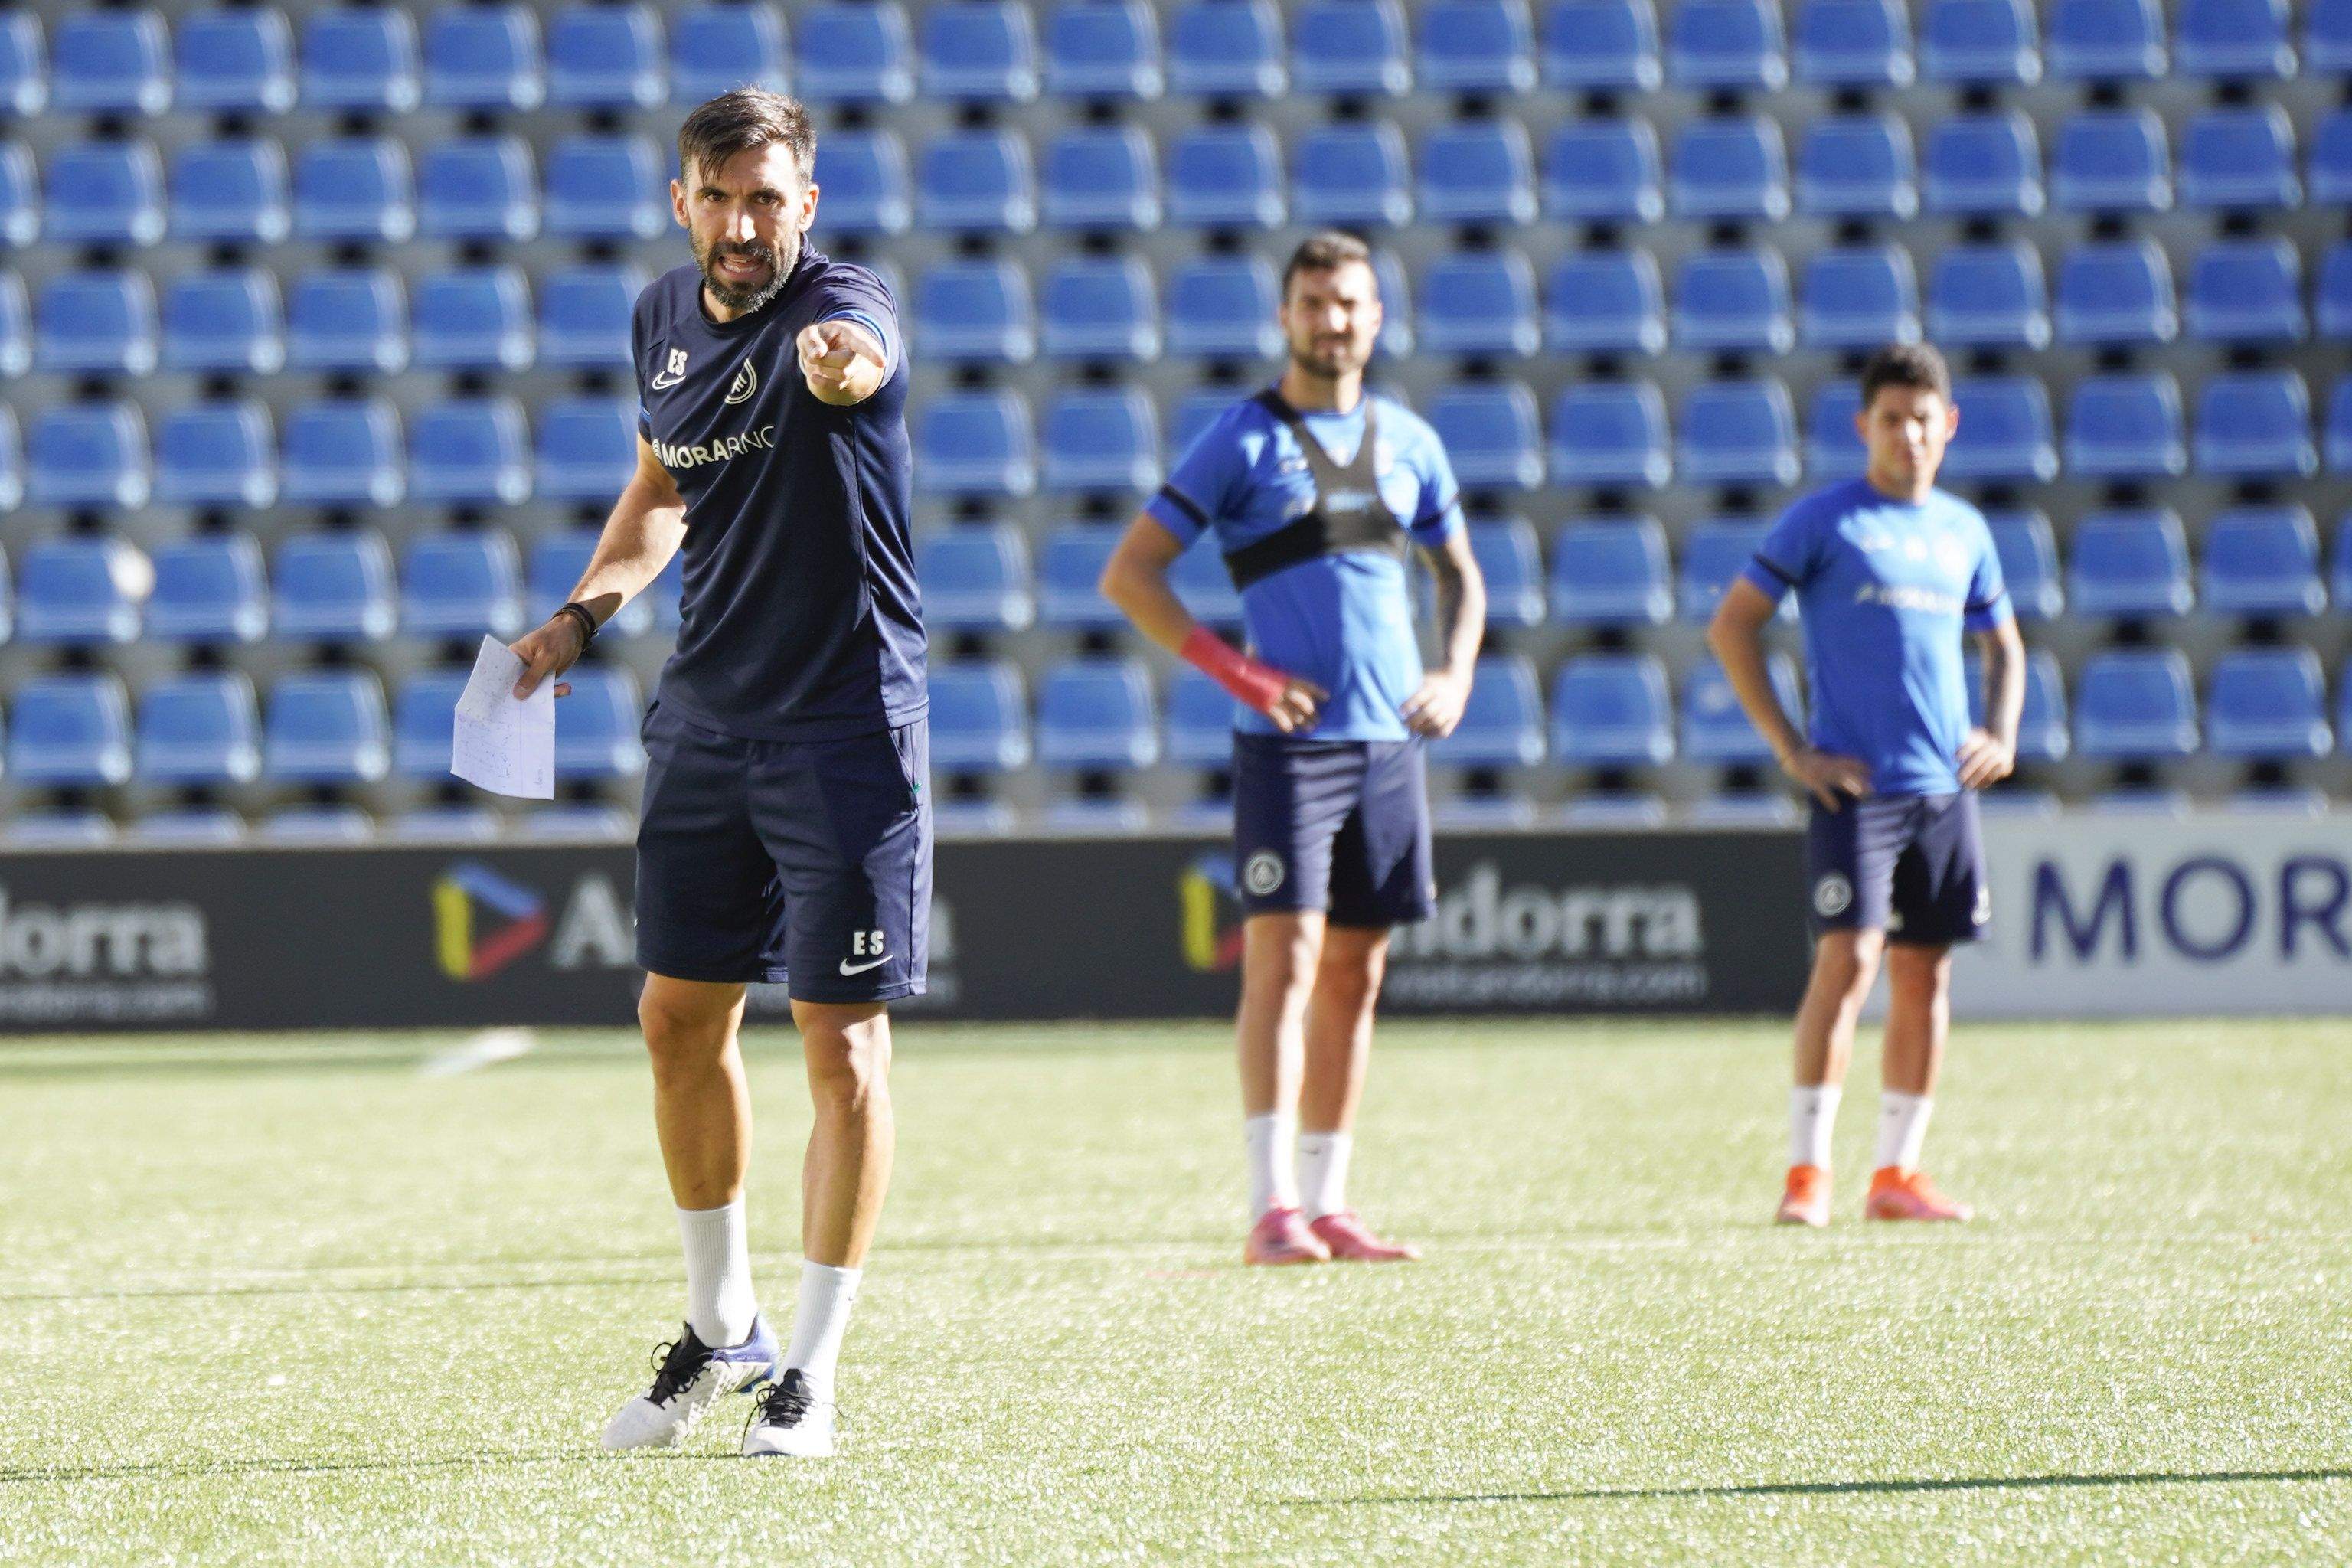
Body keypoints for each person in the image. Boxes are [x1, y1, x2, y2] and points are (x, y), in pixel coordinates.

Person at [508, 89, 925, 1458]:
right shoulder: (659, 318)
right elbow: (662, 487)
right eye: (718, 196)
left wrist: (843, 369)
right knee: (675, 1019)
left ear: (807, 204)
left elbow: (859, 357)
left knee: (839, 1042)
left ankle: (811, 1368)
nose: (743, 223)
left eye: (767, 198)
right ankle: (723, 1321)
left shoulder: (839, 305)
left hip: (844, 728)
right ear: (679, 199)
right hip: (705, 722)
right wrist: (582, 615)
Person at [1100, 231, 1485, 1266]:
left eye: (1351, 302)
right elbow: (1131, 575)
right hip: (1293, 746)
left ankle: (1331, 1200)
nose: (1335, 319)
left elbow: (1463, 577)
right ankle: (1270, 1207)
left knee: (1358, 972)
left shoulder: (1410, 441)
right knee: (1287, 960)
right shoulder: (1239, 441)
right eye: (1315, 302)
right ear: (1286, 316)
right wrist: (1242, 674)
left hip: (1389, 744)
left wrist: (1452, 674)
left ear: (1378, 316)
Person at [1706, 342, 2024, 1229]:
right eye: (1891, 419)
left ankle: (1898, 1172)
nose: (1909, 435)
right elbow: (1733, 628)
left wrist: (1999, 733)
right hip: (1858, 789)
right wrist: (1791, 748)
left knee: (1927, 974)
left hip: (1942, 792)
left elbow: (2006, 643)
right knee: (1848, 960)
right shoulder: (1825, 522)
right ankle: (1808, 1172)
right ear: (1865, 427)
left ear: (1948, 426)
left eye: (1924, 419)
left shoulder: (1965, 529)